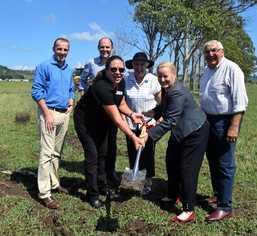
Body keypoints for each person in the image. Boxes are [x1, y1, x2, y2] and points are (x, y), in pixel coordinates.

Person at [73, 55, 145, 209]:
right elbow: (117, 119)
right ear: (106, 70)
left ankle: (103, 186)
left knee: (104, 155)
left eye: (121, 70)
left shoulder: (121, 82)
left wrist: (132, 114)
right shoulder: (101, 87)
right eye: (113, 69)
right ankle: (92, 194)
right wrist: (133, 137)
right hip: (86, 123)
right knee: (93, 156)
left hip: (102, 121)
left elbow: (121, 102)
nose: (118, 72)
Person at [143, 62, 209, 223]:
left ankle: (188, 210)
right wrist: (146, 114)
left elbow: (171, 119)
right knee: (171, 161)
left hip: (194, 132)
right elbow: (164, 108)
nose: (162, 79)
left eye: (165, 76)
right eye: (159, 76)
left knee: (188, 169)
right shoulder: (167, 90)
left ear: (174, 75)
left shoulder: (177, 92)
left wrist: (148, 136)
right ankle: (173, 195)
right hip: (180, 131)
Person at [199, 40, 248, 222]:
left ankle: (225, 206)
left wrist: (234, 127)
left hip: (225, 121)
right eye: (207, 52)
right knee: (212, 160)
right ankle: (218, 195)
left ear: (222, 51)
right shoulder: (206, 72)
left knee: (225, 163)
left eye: (214, 51)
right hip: (208, 120)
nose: (210, 54)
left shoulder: (232, 69)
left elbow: (240, 102)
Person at [31, 37, 74, 209]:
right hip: (49, 113)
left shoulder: (69, 69)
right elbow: (36, 91)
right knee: (46, 153)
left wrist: (72, 100)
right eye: (59, 49)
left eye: (65, 50)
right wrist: (47, 114)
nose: (62, 52)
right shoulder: (44, 66)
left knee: (57, 152)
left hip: (64, 114)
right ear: (53, 49)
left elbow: (71, 88)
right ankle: (44, 193)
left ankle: (54, 183)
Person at [79, 37, 119, 190]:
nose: (105, 50)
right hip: (94, 111)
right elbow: (82, 80)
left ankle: (111, 171)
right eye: (102, 47)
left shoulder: (116, 64)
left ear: (112, 48)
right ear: (98, 48)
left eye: (107, 47)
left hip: (111, 110)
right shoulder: (92, 63)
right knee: (97, 146)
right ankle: (96, 175)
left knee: (111, 144)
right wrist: (84, 94)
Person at [124, 52, 161, 195]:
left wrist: (153, 114)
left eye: (142, 64)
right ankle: (135, 182)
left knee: (147, 153)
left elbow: (161, 102)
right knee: (133, 151)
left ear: (147, 65)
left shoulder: (153, 80)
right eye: (136, 64)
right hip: (131, 123)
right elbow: (122, 102)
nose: (139, 67)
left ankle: (147, 181)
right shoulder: (126, 80)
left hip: (148, 125)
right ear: (132, 65)